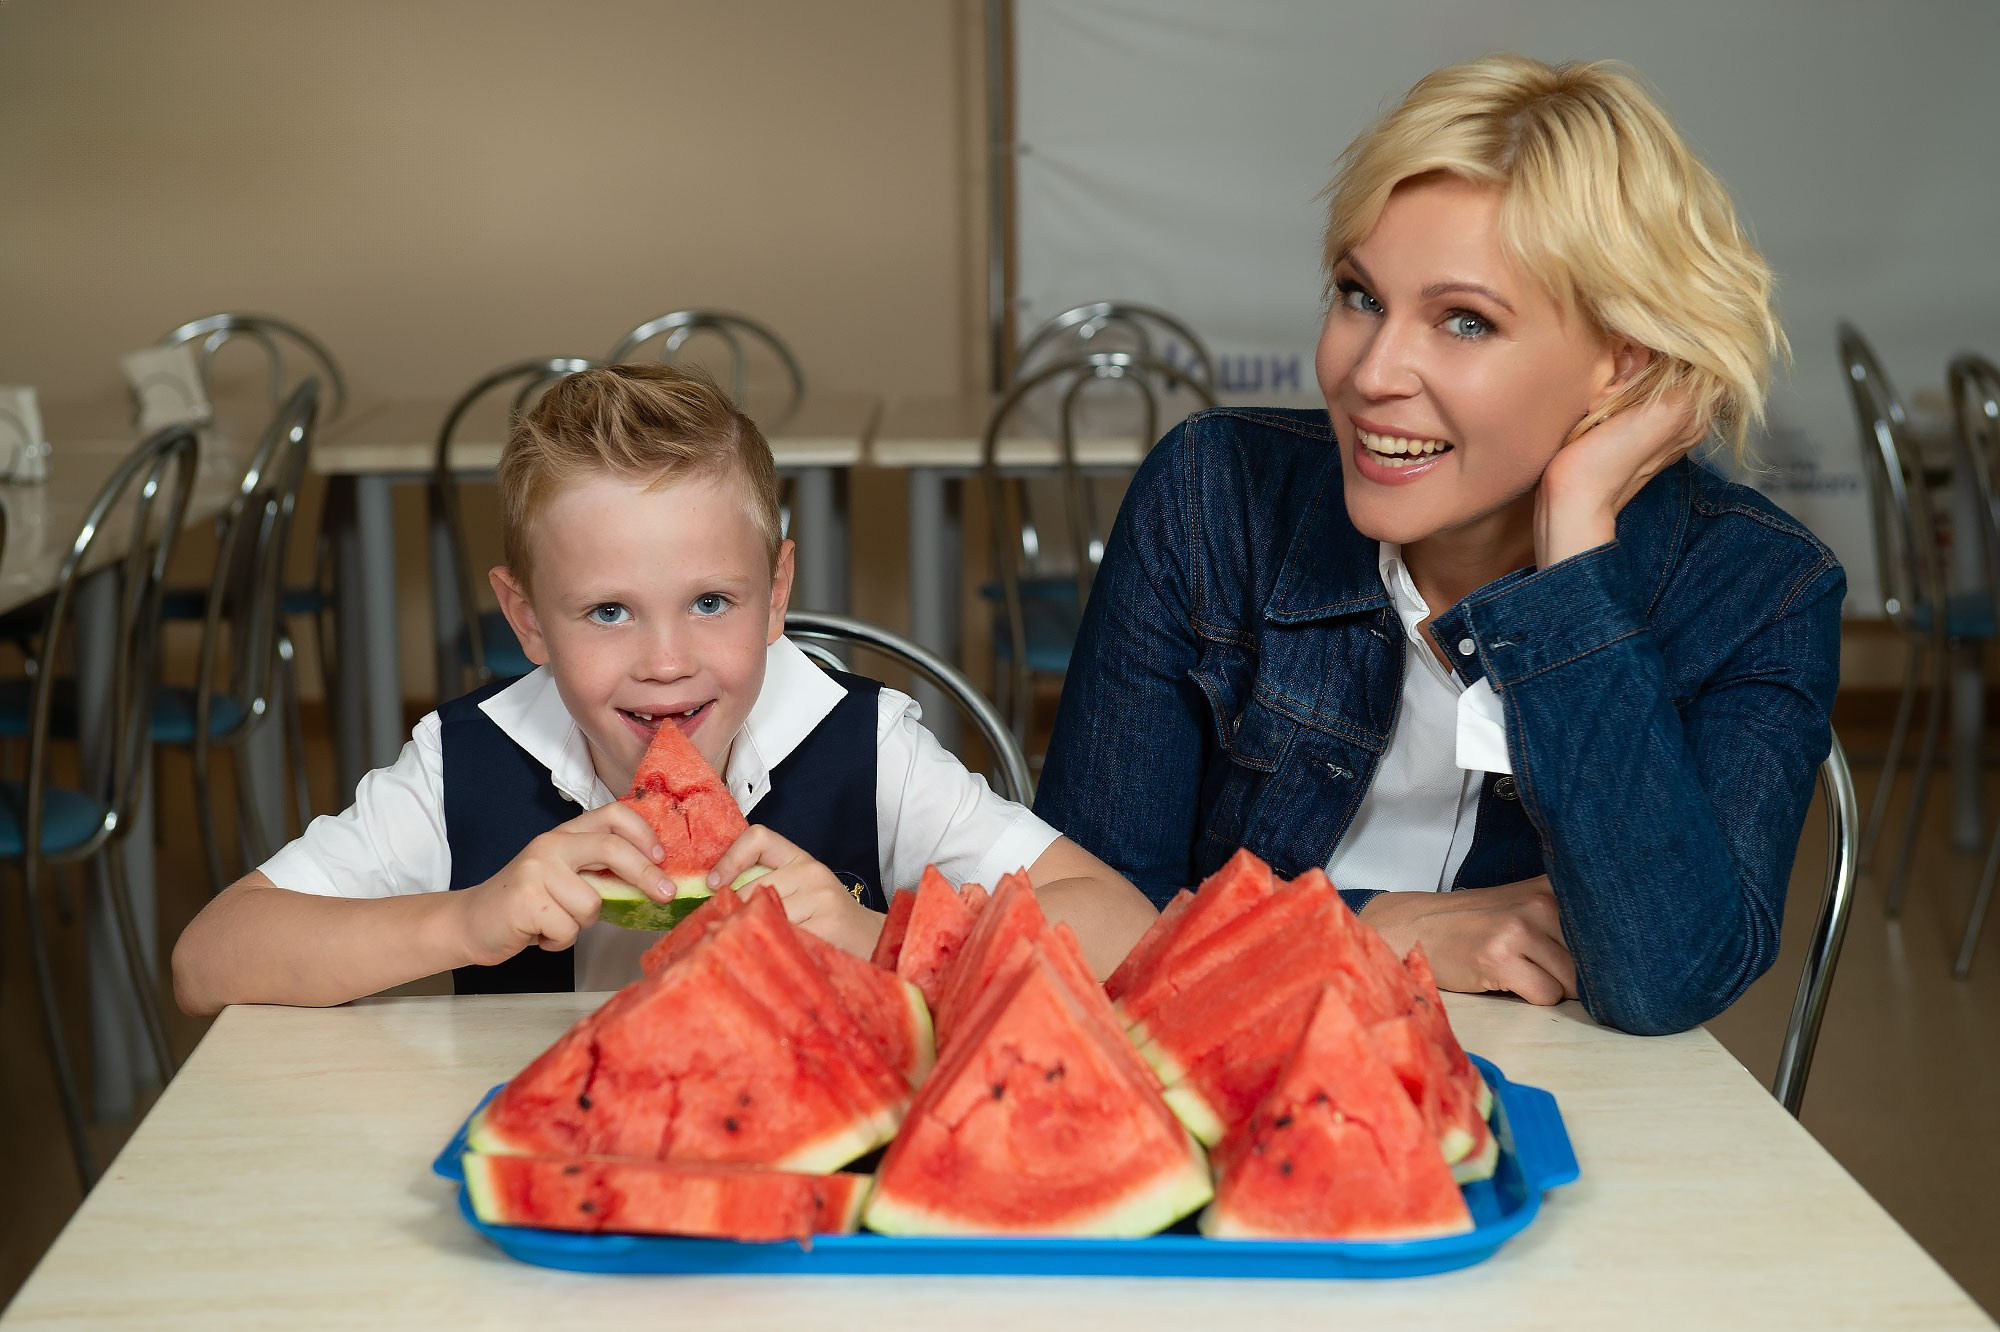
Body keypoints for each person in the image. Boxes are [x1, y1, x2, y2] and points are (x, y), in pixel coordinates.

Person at [1034, 54, 1843, 1037]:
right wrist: (1372, 930)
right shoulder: (1212, 494)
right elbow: (1086, 920)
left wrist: (1573, 554)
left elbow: (1667, 978)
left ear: (1622, 364)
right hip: (1222, 1062)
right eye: (1360, 296)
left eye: (1464, 321)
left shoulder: (1759, 587)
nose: (1372, 373)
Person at [174, 364, 1155, 1016]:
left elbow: (1126, 929)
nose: (665, 660)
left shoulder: (861, 745)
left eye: (710, 602)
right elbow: (207, 960)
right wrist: (467, 919)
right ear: (526, 620)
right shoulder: (468, 759)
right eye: (608, 611)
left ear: (776, 594)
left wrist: (876, 936)